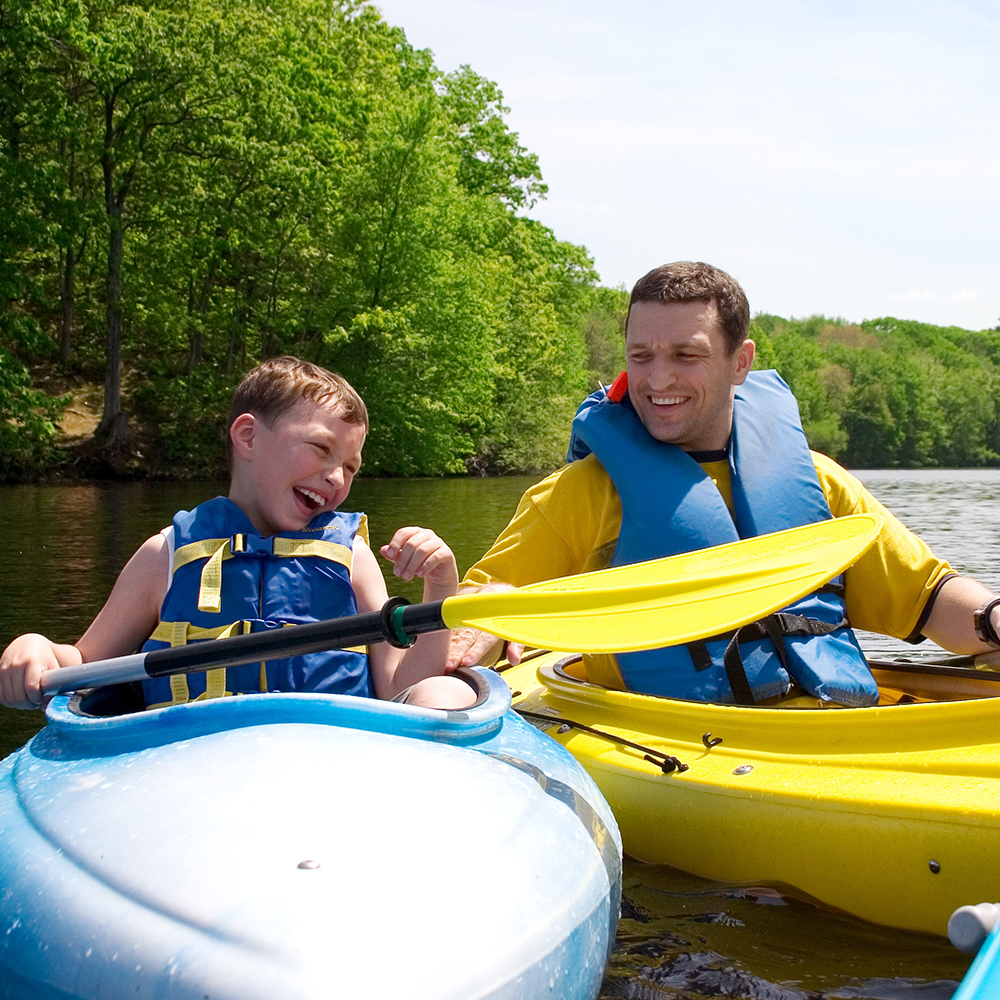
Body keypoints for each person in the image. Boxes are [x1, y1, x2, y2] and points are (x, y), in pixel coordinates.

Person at [447, 261, 1000, 706]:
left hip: (835, 727)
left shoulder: (819, 482)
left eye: (687, 355)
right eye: (641, 356)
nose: (658, 379)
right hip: (678, 738)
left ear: (741, 362)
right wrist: (494, 609)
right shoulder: (579, 494)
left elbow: (929, 597)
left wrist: (993, 620)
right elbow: (481, 606)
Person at [0, 357, 473, 712]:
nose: (336, 478)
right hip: (196, 762)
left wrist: (440, 588)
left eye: (350, 466)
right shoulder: (165, 555)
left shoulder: (352, 557)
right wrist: (38, 649)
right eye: (320, 449)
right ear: (247, 437)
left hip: (330, 757)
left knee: (446, 692)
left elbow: (397, 688)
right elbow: (81, 666)